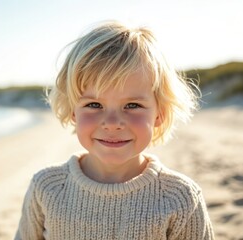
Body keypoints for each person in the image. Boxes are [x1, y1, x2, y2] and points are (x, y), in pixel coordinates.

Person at [15, 21, 214, 239]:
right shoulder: (47, 187)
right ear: (73, 111)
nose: (112, 123)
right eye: (94, 105)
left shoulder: (179, 197)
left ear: (160, 114)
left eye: (132, 105)